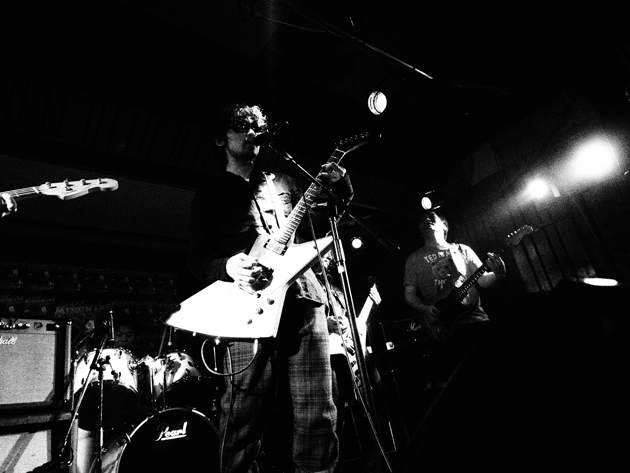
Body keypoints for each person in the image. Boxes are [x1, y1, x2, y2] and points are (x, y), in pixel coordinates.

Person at [188, 102, 353, 473]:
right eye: (240, 126)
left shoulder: (285, 182)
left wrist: (341, 186)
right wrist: (228, 266)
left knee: (317, 411)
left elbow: (321, 223)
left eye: (256, 126)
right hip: (247, 312)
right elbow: (197, 260)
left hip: (303, 300)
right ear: (220, 139)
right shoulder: (210, 194)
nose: (251, 132)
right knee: (242, 416)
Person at [402, 210, 506, 422]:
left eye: (432, 217)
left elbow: (483, 280)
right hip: (445, 327)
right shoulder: (414, 259)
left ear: (444, 226)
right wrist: (424, 309)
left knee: (491, 377)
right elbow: (409, 294)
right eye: (423, 219)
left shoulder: (462, 250)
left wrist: (499, 273)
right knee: (461, 388)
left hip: (475, 320)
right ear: (420, 231)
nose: (427, 219)